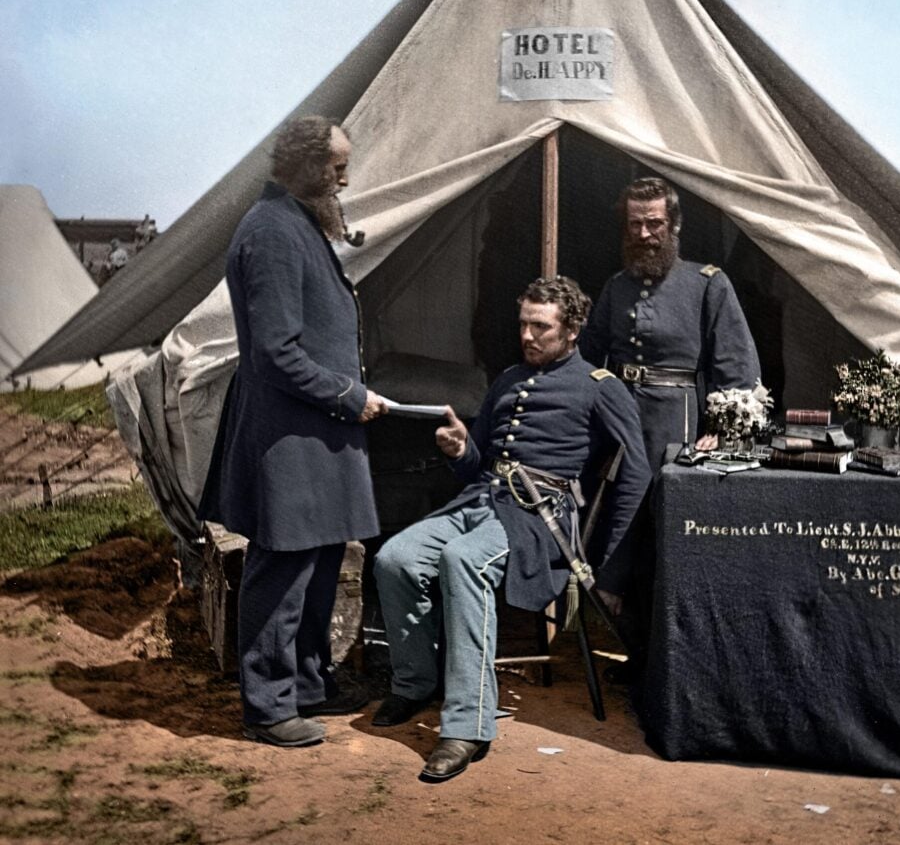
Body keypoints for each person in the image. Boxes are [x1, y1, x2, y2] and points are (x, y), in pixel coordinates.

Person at [373, 276, 651, 782]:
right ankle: (415, 684)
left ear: (571, 333)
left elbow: (635, 475)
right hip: (480, 501)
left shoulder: (600, 388)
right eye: (523, 323)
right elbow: (478, 462)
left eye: (539, 327)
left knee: (462, 561)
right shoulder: (506, 379)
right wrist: (461, 450)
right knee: (395, 558)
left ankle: (467, 724)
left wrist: (613, 569)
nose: (527, 335)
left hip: (539, 517)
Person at [198, 115, 388, 748]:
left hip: (317, 434)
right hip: (291, 436)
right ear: (305, 166)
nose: (344, 176)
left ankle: (309, 683)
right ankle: (269, 706)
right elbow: (276, 354)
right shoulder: (273, 231)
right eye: (336, 166)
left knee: (322, 563)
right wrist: (348, 395)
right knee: (281, 571)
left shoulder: (296, 223)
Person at [578, 177, 761, 473]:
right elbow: (589, 355)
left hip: (678, 420)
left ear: (674, 225)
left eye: (654, 223)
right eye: (635, 224)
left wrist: (720, 430)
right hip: (620, 417)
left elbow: (737, 364)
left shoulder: (708, 284)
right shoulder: (616, 287)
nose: (643, 233)